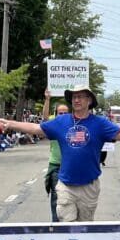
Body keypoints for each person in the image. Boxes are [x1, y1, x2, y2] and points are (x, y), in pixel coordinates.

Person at [0, 84, 120, 222]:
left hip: (89, 187)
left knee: (84, 229)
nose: (76, 100)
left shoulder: (100, 123)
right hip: (66, 185)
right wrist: (10, 124)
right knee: (67, 224)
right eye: (74, 97)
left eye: (80, 96)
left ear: (89, 100)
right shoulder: (61, 121)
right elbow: (36, 128)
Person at [42, 90, 69, 222]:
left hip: (71, 168)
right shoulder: (53, 125)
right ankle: (56, 227)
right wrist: (47, 100)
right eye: (60, 113)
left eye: (65, 113)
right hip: (56, 168)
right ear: (56, 114)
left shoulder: (73, 125)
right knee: (56, 200)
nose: (63, 115)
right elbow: (45, 119)